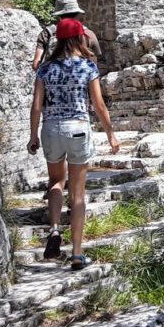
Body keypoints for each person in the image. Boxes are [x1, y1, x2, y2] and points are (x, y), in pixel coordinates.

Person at [28, 17, 120, 269]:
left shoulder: (45, 69)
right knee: (78, 195)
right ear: (81, 38)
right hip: (78, 128)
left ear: (57, 39)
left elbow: (37, 106)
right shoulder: (87, 67)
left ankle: (55, 230)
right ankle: (77, 254)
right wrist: (111, 134)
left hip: (51, 128)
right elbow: (98, 105)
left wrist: (33, 135)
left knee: (56, 181)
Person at [32, 0, 102, 70]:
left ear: (58, 14)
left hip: (52, 78)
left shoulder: (47, 33)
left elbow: (36, 65)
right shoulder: (88, 34)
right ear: (77, 13)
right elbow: (94, 65)